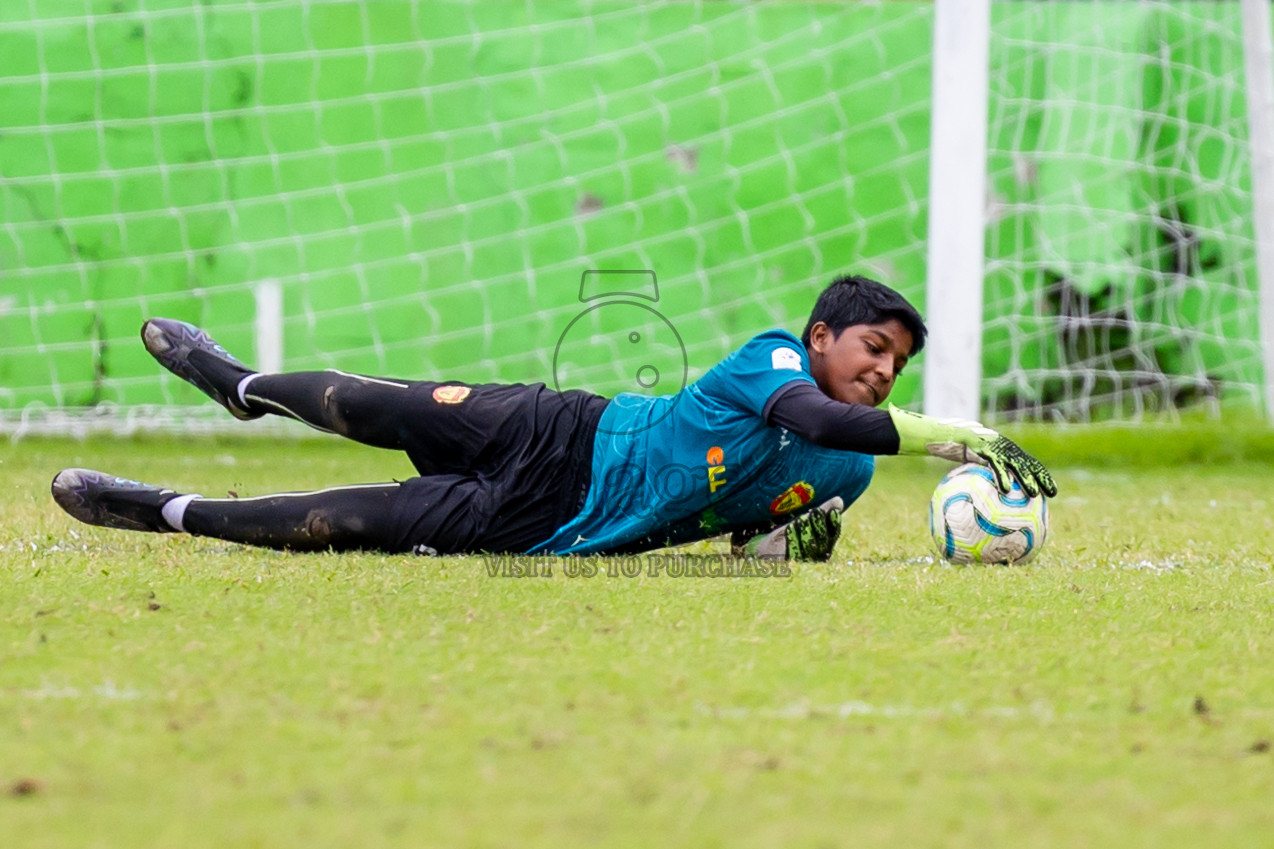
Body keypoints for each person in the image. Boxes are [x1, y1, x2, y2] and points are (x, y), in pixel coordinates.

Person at [51, 275, 1057, 561]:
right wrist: (961, 437)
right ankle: (240, 385)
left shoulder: (850, 472)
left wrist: (797, 542)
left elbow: (792, 523)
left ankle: (165, 510)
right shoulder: (774, 361)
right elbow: (815, 422)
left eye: (895, 364)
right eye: (872, 350)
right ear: (821, 336)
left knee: (342, 523)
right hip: (560, 429)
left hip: (546, 525)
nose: (880, 372)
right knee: (367, 401)